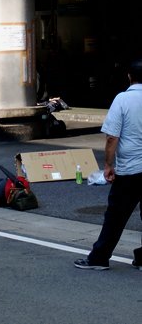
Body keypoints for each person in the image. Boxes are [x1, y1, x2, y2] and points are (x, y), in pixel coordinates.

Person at [74, 59, 142, 271]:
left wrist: (108, 165)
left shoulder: (122, 99)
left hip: (131, 169)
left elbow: (112, 137)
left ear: (129, 77)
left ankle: (99, 258)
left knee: (115, 216)